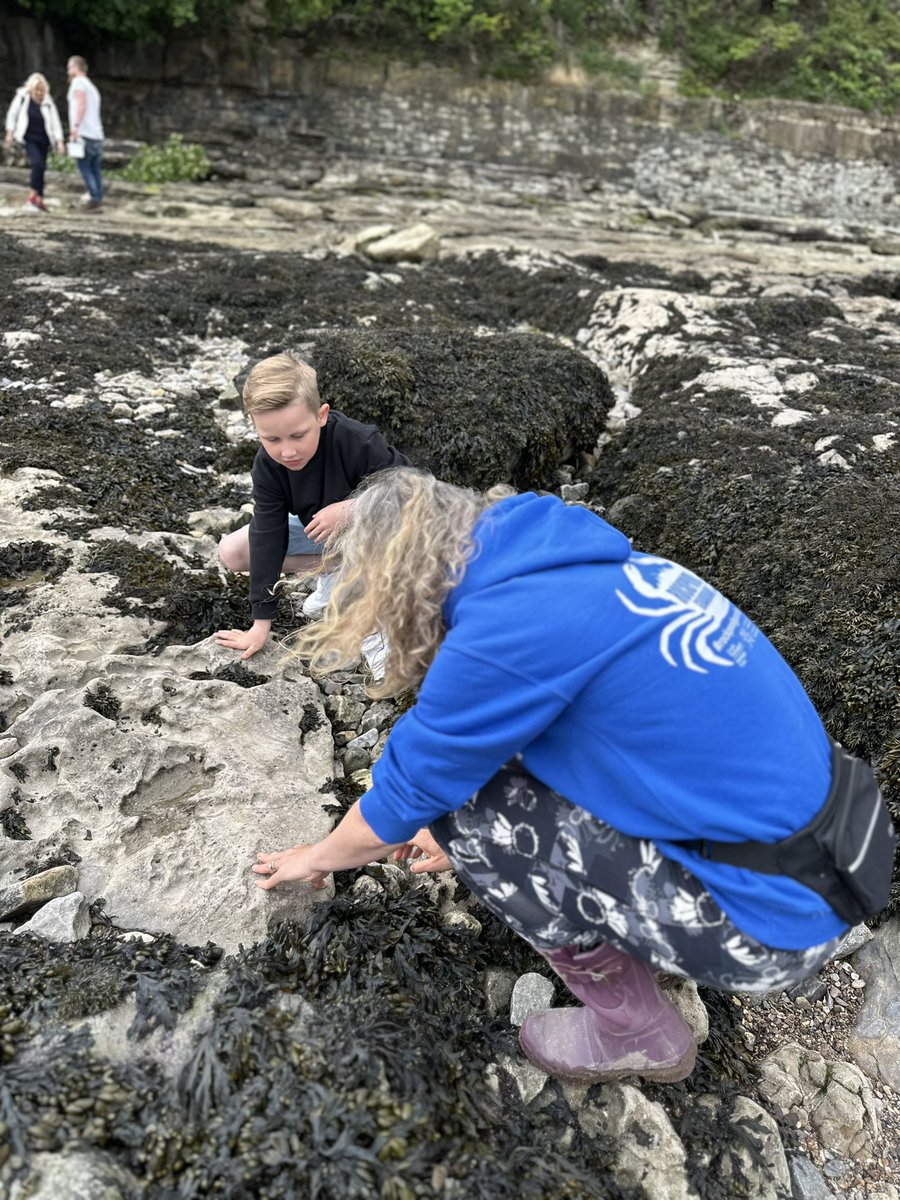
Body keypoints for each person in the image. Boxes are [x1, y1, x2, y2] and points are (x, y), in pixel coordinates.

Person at [251, 467, 894, 1084]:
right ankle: (657, 925)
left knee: (469, 814)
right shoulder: (574, 562)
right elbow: (580, 733)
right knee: (486, 786)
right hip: (836, 853)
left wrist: (317, 858)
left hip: (775, 925)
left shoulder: (503, 634)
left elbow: (400, 800)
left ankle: (633, 1028)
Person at [214, 351, 408, 665]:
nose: (287, 451)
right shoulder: (268, 465)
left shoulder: (356, 440)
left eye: (298, 435)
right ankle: (336, 567)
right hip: (330, 538)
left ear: (321, 415)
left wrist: (351, 509)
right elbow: (267, 532)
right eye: (271, 438)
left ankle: (376, 623)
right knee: (233, 551)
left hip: (383, 533)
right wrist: (260, 623)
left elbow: (412, 488)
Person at [4, 73, 65, 213]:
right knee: (37, 164)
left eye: (41, 90)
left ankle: (40, 199)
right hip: (29, 138)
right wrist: (10, 132)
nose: (39, 93)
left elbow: (56, 123)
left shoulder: (48, 102)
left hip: (44, 139)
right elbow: (12, 114)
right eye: (36, 90)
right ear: (31, 89)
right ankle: (32, 195)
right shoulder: (22, 97)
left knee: (42, 167)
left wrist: (60, 141)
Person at [66, 56, 104, 212]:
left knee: (84, 166)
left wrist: (75, 128)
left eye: (69, 67)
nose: (67, 70)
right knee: (95, 167)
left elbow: (81, 104)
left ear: (76, 67)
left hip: (85, 132)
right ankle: (98, 197)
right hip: (97, 133)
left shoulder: (78, 83)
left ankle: (94, 198)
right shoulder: (92, 87)